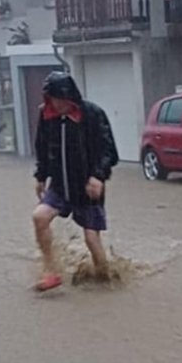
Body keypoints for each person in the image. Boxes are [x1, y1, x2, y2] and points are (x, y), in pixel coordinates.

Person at [32, 70, 119, 292]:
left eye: (61, 99)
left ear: (71, 96)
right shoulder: (46, 116)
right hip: (60, 184)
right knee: (39, 217)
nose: (58, 104)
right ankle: (51, 271)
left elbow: (109, 151)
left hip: (87, 186)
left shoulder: (92, 114)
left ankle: (105, 278)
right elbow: (42, 148)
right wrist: (41, 176)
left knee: (91, 238)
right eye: (53, 99)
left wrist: (98, 176)